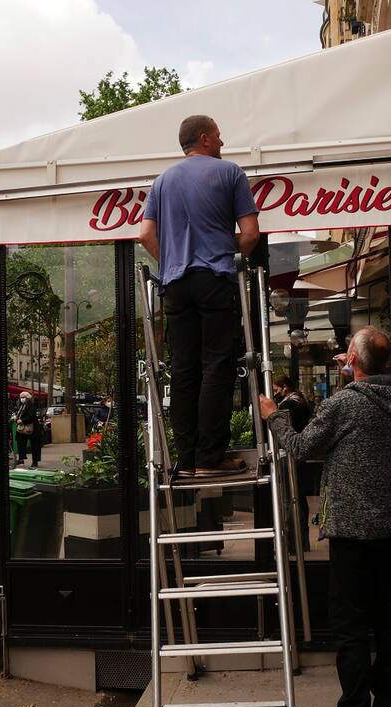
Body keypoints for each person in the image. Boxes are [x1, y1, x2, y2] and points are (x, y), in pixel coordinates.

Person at [259, 327, 391, 707]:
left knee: (350, 627)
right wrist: (355, 371)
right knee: (389, 625)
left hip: (351, 532)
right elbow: (367, 405)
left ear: (354, 360)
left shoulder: (344, 403)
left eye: (348, 352)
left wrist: (274, 415)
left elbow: (301, 446)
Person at [139, 114, 260, 478]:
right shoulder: (231, 173)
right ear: (205, 139)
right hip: (215, 278)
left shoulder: (162, 181)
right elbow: (251, 233)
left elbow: (146, 234)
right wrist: (226, 252)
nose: (223, 143)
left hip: (175, 284)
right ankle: (210, 457)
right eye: (220, 136)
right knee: (218, 366)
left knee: (183, 370)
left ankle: (187, 459)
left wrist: (173, 261)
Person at [272, 374, 312, 547]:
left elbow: (287, 431)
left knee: (290, 498)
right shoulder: (301, 401)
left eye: (276, 390)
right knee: (298, 497)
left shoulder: (288, 405)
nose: (275, 393)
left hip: (290, 455)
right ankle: (301, 540)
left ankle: (294, 541)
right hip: (300, 457)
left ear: (284, 387)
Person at [14, 390, 41, 467]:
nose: (22, 399)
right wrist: (16, 418)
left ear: (27, 398)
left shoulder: (31, 405)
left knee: (34, 445)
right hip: (22, 428)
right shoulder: (21, 405)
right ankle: (21, 459)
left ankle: (35, 462)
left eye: (23, 397)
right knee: (20, 442)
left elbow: (31, 416)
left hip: (32, 428)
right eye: (21, 397)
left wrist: (22, 420)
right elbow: (19, 414)